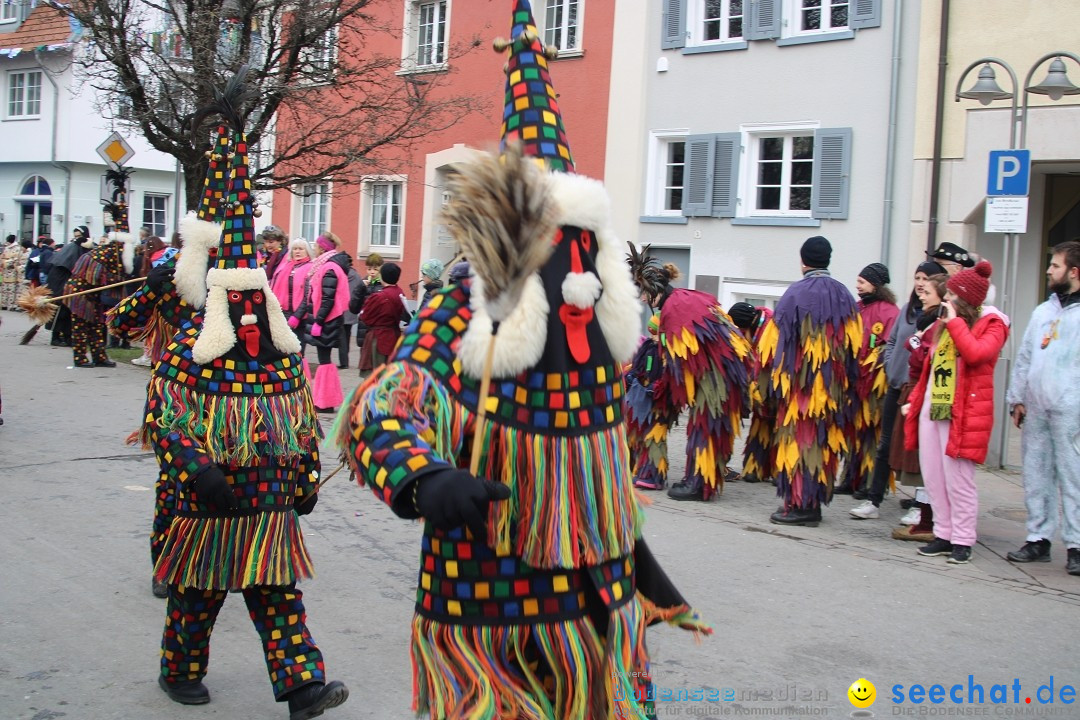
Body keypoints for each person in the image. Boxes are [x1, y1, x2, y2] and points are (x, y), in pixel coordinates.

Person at [340, 6, 708, 713]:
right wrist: (424, 478)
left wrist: (629, 556)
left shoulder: (602, 320)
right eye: (554, 245)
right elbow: (386, 405)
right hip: (491, 593)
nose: (573, 270)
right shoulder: (467, 300)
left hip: (597, 603)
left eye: (582, 244)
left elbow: (596, 472)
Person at [147, 107, 347, 718]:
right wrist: (199, 472)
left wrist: (306, 478)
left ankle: (303, 688)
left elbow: (300, 425)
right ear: (220, 304)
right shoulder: (187, 356)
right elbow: (166, 424)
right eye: (239, 305)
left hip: (267, 507)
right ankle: (178, 669)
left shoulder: (284, 362)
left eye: (256, 303)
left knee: (278, 598)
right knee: (196, 599)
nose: (251, 316)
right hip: (206, 506)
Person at [111, 125, 233, 599]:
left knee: (203, 476)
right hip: (198, 392)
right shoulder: (184, 273)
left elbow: (124, 321)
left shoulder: (216, 276)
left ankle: (194, 561)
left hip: (208, 392)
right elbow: (125, 322)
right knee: (186, 478)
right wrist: (152, 291)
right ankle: (175, 563)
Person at [903, 261, 1008, 565]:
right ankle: (943, 533)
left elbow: (976, 354)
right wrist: (916, 399)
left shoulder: (992, 323)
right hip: (935, 407)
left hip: (964, 413)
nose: (945, 301)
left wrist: (954, 324)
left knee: (958, 479)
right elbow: (930, 367)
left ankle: (962, 540)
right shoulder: (945, 325)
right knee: (934, 477)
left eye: (951, 296)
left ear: (965, 300)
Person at [624, 247, 750, 501]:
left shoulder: (675, 309)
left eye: (644, 294)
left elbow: (680, 361)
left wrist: (662, 391)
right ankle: (699, 479)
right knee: (706, 424)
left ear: (653, 289)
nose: (643, 300)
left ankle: (699, 485)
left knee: (705, 424)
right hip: (724, 370)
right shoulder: (683, 298)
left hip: (718, 375)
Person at [764, 236, 862, 526]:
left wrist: (772, 384)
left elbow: (774, 345)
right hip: (833, 389)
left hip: (800, 389)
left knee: (800, 442)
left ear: (803, 261)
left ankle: (801, 505)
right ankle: (813, 502)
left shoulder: (795, 293)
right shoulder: (845, 295)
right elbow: (854, 346)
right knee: (822, 444)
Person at [1005, 240, 1080, 575]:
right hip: (1037, 410)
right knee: (1036, 475)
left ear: (1074, 272)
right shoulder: (1042, 312)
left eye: (1055, 265)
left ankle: (1076, 544)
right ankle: (1038, 538)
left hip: (1072, 412)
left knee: (1074, 477)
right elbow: (1024, 358)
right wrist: (1016, 398)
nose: (1049, 270)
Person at [889, 272, 947, 541]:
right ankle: (925, 518)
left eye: (928, 289)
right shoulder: (926, 319)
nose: (920, 291)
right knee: (919, 459)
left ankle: (929, 522)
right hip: (912, 390)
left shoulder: (939, 324)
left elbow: (928, 360)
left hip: (924, 394)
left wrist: (917, 345)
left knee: (926, 461)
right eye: (919, 286)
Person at [843, 263, 899, 507]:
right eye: (858, 281)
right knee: (853, 432)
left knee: (872, 436)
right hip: (854, 380)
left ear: (875, 284)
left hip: (874, 383)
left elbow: (888, 346)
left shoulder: (889, 312)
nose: (858, 285)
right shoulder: (856, 309)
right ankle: (849, 478)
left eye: (862, 282)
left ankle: (870, 483)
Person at [289, 232, 351, 413]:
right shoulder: (326, 265)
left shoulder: (329, 267)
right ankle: (322, 399)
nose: (314, 248)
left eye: (316, 245)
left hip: (327, 321)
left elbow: (327, 298)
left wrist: (319, 321)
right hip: (326, 320)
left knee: (325, 360)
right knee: (325, 359)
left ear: (322, 247)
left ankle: (325, 401)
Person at [64, 230, 136, 368]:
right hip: (80, 293)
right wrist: (118, 280)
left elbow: (114, 276)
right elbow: (98, 276)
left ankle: (99, 357)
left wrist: (122, 280)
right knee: (80, 326)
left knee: (97, 325)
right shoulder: (104, 254)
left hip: (93, 296)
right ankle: (80, 358)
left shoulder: (113, 255)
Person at [728, 301, 775, 484]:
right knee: (760, 425)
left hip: (776, 385)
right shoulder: (755, 328)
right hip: (759, 388)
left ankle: (780, 471)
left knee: (779, 427)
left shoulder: (773, 327)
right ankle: (756, 468)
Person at [356, 262, 409, 373]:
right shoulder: (400, 292)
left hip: (378, 337)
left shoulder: (379, 296)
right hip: (394, 335)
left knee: (376, 373)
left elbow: (365, 316)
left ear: (382, 276)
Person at [46, 226, 94, 347]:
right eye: (76, 236)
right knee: (60, 310)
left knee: (68, 311)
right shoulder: (73, 248)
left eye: (79, 236)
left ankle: (67, 337)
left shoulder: (82, 248)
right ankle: (56, 337)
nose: (77, 239)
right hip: (60, 282)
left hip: (67, 282)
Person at [270, 238, 314, 351]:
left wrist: (297, 316)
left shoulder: (310, 268)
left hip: (300, 316)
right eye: (295, 249)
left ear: (307, 251)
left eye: (301, 249)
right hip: (283, 313)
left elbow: (308, 296)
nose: (297, 252)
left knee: (297, 349)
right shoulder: (285, 267)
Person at [348, 252, 384, 372]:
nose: (372, 272)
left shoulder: (383, 285)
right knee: (365, 366)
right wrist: (360, 288)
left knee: (377, 367)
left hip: (378, 330)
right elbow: (353, 307)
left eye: (375, 269)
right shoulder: (363, 283)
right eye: (369, 269)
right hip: (364, 329)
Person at [338, 259, 362, 369]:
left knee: (342, 337)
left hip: (343, 310)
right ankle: (345, 360)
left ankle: (344, 362)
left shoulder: (343, 275)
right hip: (352, 310)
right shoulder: (356, 275)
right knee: (346, 337)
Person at [1, 235, 29, 310]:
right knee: (4, 288)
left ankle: (11, 305)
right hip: (5, 271)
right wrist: (2, 262)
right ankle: (4, 304)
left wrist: (7, 262)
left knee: (12, 289)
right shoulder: (6, 248)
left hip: (13, 270)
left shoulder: (17, 249)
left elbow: (16, 259)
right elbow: (2, 257)